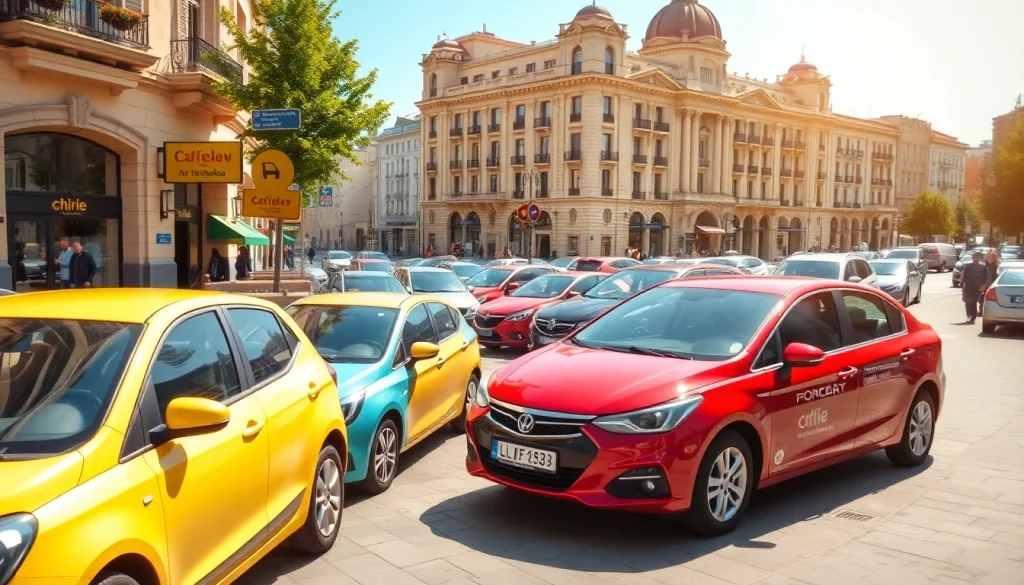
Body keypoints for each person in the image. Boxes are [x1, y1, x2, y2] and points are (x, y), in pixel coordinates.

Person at [960, 251, 986, 324]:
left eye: (975, 257)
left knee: (973, 302)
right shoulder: (968, 266)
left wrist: (983, 285)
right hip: (968, 286)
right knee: (967, 301)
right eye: (973, 257)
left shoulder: (983, 267)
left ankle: (973, 317)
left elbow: (985, 277)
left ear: (979, 258)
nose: (973, 258)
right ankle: (969, 314)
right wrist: (962, 283)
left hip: (977, 287)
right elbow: (964, 275)